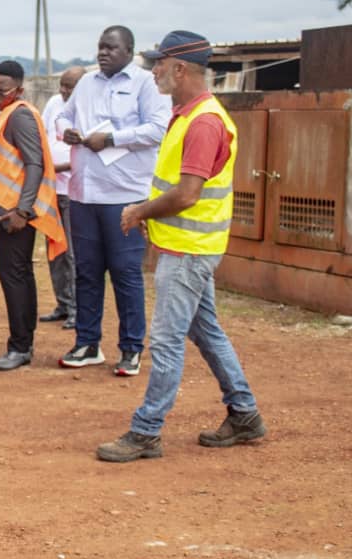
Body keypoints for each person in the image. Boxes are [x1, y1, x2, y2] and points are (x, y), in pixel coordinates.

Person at [97, 30, 265, 462]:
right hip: (188, 246)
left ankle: (147, 431)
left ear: (180, 68)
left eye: (157, 64)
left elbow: (188, 194)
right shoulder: (190, 115)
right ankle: (245, 413)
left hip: (190, 251)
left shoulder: (203, 122)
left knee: (167, 341)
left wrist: (140, 211)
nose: (152, 71)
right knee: (204, 330)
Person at [56, 25, 171, 376]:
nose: (103, 53)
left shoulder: (145, 84)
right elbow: (63, 115)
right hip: (84, 193)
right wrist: (67, 132)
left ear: (129, 51)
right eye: (100, 47)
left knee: (125, 273)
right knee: (87, 272)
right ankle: (88, 343)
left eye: (111, 48)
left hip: (125, 195)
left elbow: (158, 128)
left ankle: (131, 348)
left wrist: (111, 139)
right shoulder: (88, 83)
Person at [0, 61, 67, 371]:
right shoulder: (8, 112)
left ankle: (20, 347)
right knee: (16, 273)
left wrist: (23, 209)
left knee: (15, 275)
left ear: (18, 89)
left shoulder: (20, 115)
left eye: (1, 90)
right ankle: (22, 343)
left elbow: (35, 163)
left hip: (17, 212)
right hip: (9, 209)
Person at [38, 66, 85, 330]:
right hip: (51, 190)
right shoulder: (55, 103)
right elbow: (44, 136)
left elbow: (88, 152)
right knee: (54, 250)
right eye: (62, 85)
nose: (64, 91)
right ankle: (63, 303)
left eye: (70, 87)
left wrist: (59, 167)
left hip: (72, 192)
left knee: (72, 253)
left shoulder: (89, 107)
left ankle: (78, 309)